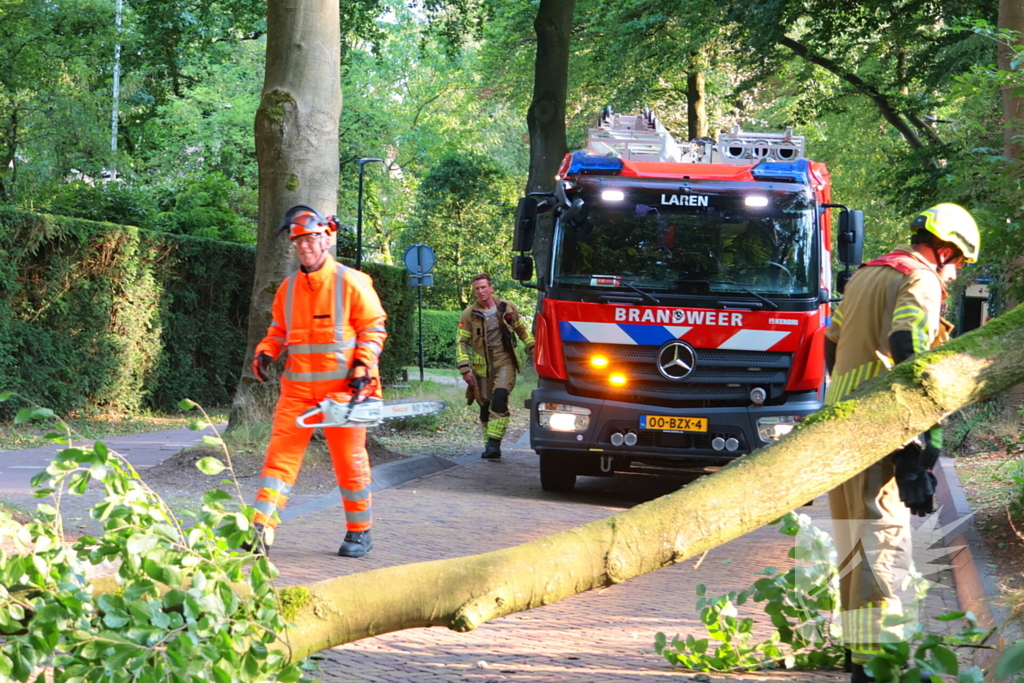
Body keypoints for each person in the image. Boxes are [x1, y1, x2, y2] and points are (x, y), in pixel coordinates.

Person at [824, 203, 979, 682]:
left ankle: (858, 652)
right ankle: (878, 665)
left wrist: (850, 396)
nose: (953, 276)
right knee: (883, 541)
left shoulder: (868, 274)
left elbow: (831, 343)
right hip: (881, 423)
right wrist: (918, 444)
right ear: (946, 250)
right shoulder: (920, 280)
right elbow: (908, 350)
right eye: (957, 265)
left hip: (841, 416)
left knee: (854, 537)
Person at [249, 205, 388, 558]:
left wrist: (361, 369)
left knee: (349, 459)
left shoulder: (351, 281)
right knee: (279, 458)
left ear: (326, 238)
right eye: (298, 241)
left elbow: (373, 329)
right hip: (297, 389)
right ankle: (260, 530)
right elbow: (279, 330)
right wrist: (267, 350)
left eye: (310, 239)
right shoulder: (288, 289)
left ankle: (360, 532)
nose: (304, 247)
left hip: (345, 390)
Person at [457, 273, 535, 459]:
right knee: (485, 405)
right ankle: (488, 445)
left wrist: (534, 348)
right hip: (481, 366)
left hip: (505, 361)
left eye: (484, 287)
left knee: (499, 397)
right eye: (477, 288)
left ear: (491, 288)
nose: (480, 291)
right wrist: (465, 369)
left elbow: (522, 330)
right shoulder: (469, 314)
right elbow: (461, 342)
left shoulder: (507, 308)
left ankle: (494, 445)